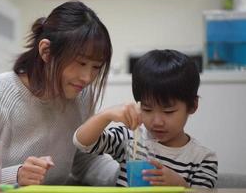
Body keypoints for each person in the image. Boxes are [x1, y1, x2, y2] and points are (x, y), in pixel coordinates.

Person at [0, 0, 119, 186]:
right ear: (46, 51)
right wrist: (16, 175)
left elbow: (84, 161)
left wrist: (130, 174)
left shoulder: (82, 96)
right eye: (80, 63)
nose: (87, 77)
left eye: (96, 67)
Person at [73, 49, 218, 188]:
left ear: (192, 106)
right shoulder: (131, 138)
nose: (157, 122)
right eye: (147, 109)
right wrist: (105, 115)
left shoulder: (203, 158)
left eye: (168, 111)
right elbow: (82, 142)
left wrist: (181, 186)